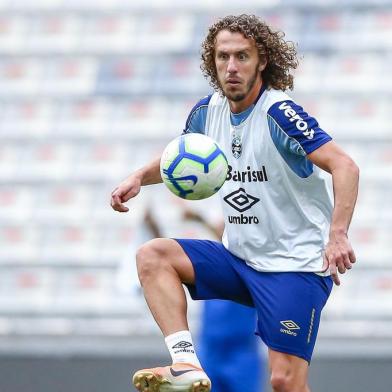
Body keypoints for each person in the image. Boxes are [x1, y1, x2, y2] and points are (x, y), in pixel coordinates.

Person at [110, 14, 359, 392]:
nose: (231, 67)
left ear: (262, 61)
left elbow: (345, 165)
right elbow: (178, 156)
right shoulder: (206, 112)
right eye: (223, 56)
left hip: (295, 266)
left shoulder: (280, 113)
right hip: (240, 260)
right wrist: (137, 178)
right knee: (153, 256)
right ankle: (185, 363)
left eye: (242, 56)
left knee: (284, 382)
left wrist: (337, 234)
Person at [183, 208, 265, 392]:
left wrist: (201, 219)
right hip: (210, 350)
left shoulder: (252, 265)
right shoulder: (210, 267)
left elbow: (231, 244)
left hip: (241, 352)